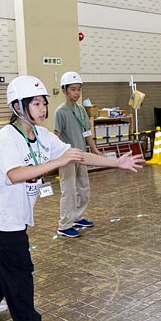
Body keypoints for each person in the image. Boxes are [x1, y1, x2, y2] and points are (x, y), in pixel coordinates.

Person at [0, 75, 143, 321]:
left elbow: (76, 154)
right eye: (35, 103)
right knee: (19, 268)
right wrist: (56, 163)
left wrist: (115, 162)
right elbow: (15, 174)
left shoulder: (42, 136)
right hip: (2, 212)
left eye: (43, 103)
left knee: (0, 257)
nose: (42, 109)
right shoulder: (7, 137)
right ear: (17, 106)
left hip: (16, 210)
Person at [54, 71, 100, 238]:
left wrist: (94, 150)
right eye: (73, 89)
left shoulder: (81, 110)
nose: (77, 93)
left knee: (83, 188)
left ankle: (77, 217)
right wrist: (56, 157)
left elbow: (87, 132)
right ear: (65, 90)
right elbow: (56, 135)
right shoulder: (61, 111)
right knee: (69, 191)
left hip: (82, 155)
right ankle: (64, 225)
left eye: (79, 89)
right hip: (67, 158)